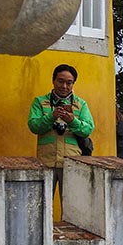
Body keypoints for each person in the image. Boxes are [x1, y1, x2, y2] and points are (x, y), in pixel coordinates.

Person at [28, 64, 95, 195]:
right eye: (60, 81)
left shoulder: (81, 105)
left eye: (69, 83)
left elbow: (88, 129)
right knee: (43, 203)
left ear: (73, 84)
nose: (64, 86)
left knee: (72, 205)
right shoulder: (40, 102)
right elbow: (33, 126)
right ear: (53, 80)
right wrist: (51, 117)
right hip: (46, 162)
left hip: (71, 162)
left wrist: (72, 121)